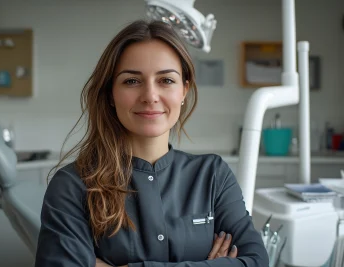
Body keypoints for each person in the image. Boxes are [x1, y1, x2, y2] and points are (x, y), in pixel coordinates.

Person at [34, 20, 269, 267]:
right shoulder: (73, 185)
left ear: (184, 91)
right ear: (111, 94)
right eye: (132, 81)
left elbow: (255, 262)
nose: (150, 96)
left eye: (166, 80)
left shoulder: (212, 175)